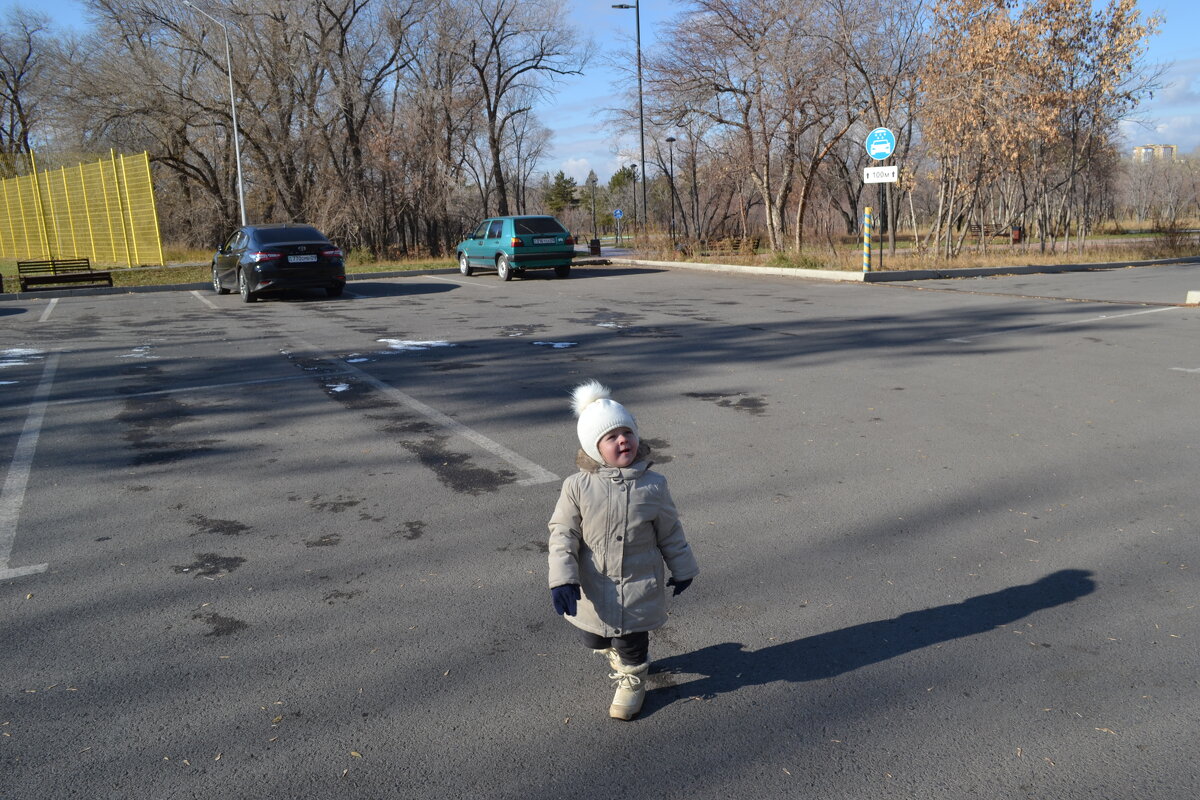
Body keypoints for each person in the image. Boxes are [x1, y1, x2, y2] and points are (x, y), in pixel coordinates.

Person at [548, 380, 700, 720]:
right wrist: (562, 579)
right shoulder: (577, 486)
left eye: (627, 432)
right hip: (593, 586)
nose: (623, 440)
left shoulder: (653, 485)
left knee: (631, 642)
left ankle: (633, 678)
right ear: (593, 448)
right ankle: (615, 651)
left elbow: (670, 531)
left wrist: (684, 567)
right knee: (596, 640)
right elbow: (563, 534)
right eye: (611, 437)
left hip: (637, 585)